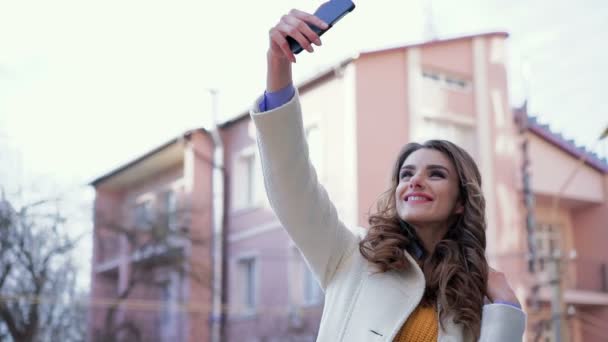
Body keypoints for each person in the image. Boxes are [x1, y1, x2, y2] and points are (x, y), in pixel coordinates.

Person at [249, 9, 526, 342]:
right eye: (406, 173)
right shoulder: (349, 256)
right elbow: (291, 185)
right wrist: (278, 70)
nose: (414, 181)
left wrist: (507, 305)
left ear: (461, 203)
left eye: (436, 174)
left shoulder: (474, 299)